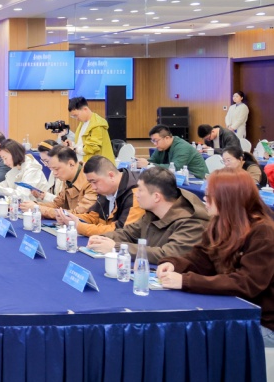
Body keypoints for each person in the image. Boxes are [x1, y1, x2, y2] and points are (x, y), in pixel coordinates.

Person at [156, 168, 274, 344]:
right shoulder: (220, 224)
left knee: (191, 338)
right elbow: (200, 259)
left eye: (210, 196)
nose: (205, 200)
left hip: (260, 323)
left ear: (227, 199)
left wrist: (186, 281)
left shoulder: (263, 232)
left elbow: (246, 283)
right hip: (232, 313)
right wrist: (174, 264)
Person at [87, 166, 209, 264]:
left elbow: (167, 254)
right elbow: (128, 233)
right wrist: (102, 238)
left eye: (140, 190)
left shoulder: (192, 222)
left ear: (156, 197)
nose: (136, 195)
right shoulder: (152, 214)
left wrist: (116, 247)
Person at [57, 155, 144, 237]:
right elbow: (94, 217)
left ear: (111, 175)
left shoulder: (136, 195)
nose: (93, 187)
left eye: (94, 182)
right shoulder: (106, 189)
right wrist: (69, 218)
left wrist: (79, 226)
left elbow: (121, 232)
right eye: (90, 182)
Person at [21, 145, 97, 220]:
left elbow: (78, 215)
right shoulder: (68, 178)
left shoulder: (91, 181)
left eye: (56, 169)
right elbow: (57, 204)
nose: (54, 173)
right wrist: (34, 205)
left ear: (71, 164)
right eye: (52, 169)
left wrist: (39, 209)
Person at [138, 124, 208, 178]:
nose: (155, 144)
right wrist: (141, 163)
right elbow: (152, 161)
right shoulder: (161, 147)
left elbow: (176, 167)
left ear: (167, 138)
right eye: (152, 141)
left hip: (197, 179)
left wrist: (149, 165)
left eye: (156, 141)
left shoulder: (182, 147)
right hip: (179, 178)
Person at [65, 96, 114, 162]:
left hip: (97, 164)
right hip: (84, 162)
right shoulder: (82, 123)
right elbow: (82, 143)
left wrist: (75, 149)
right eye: (73, 116)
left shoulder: (97, 124)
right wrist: (72, 144)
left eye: (76, 115)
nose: (76, 118)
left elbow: (93, 147)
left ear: (85, 109)